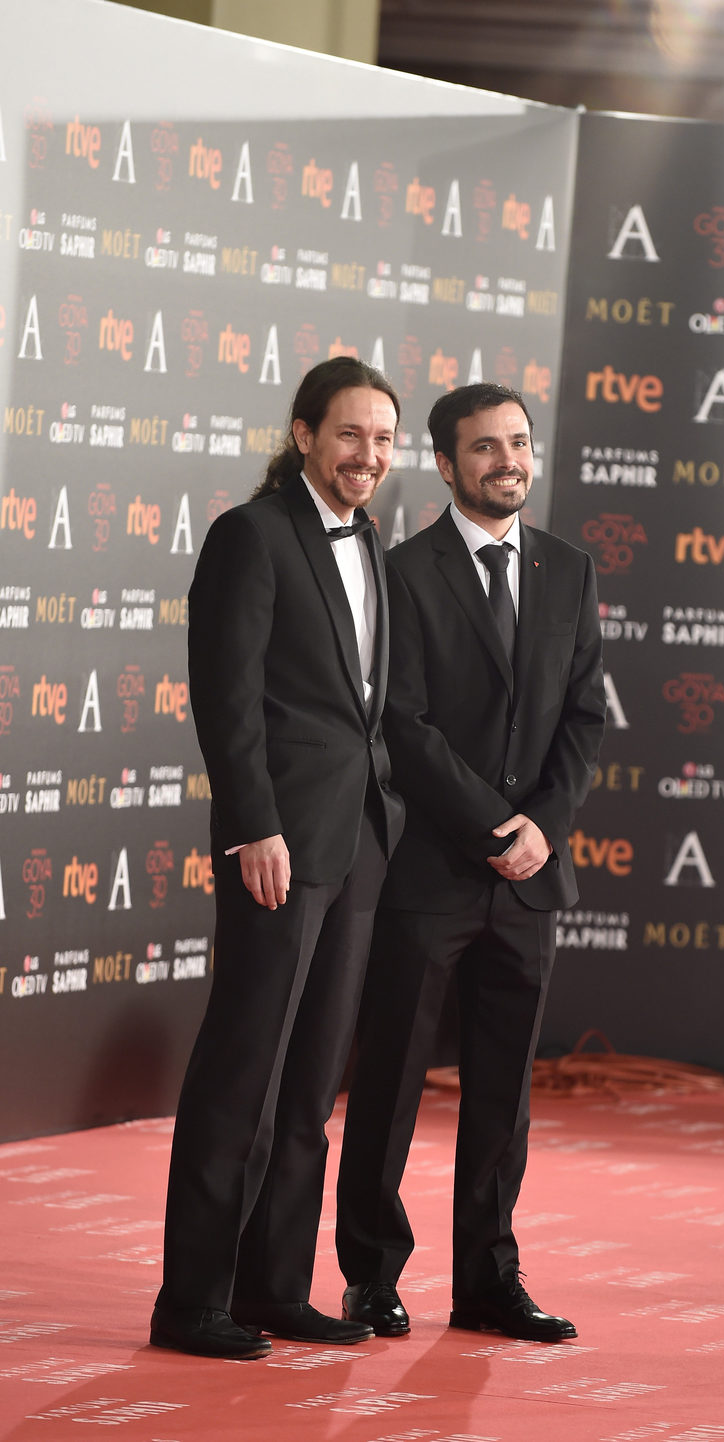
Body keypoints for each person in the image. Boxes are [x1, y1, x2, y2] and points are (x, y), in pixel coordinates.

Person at [336, 382, 605, 1343]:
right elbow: (400, 725)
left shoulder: (569, 570)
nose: (508, 461)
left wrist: (543, 828)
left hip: (533, 879)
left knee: (503, 1094)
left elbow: (584, 716)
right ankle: (370, 1275)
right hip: (431, 875)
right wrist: (498, 829)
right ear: (445, 465)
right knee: (391, 1085)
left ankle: (489, 1281)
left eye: (520, 443)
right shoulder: (402, 572)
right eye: (485, 447)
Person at [150, 357, 405, 1360]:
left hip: (358, 842)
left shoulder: (372, 540)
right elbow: (228, 696)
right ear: (304, 434)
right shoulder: (251, 535)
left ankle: (276, 1285)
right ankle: (191, 1300)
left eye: (383, 439)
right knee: (242, 1070)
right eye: (350, 434)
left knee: (309, 1083)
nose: (368, 456)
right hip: (277, 844)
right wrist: (253, 824)